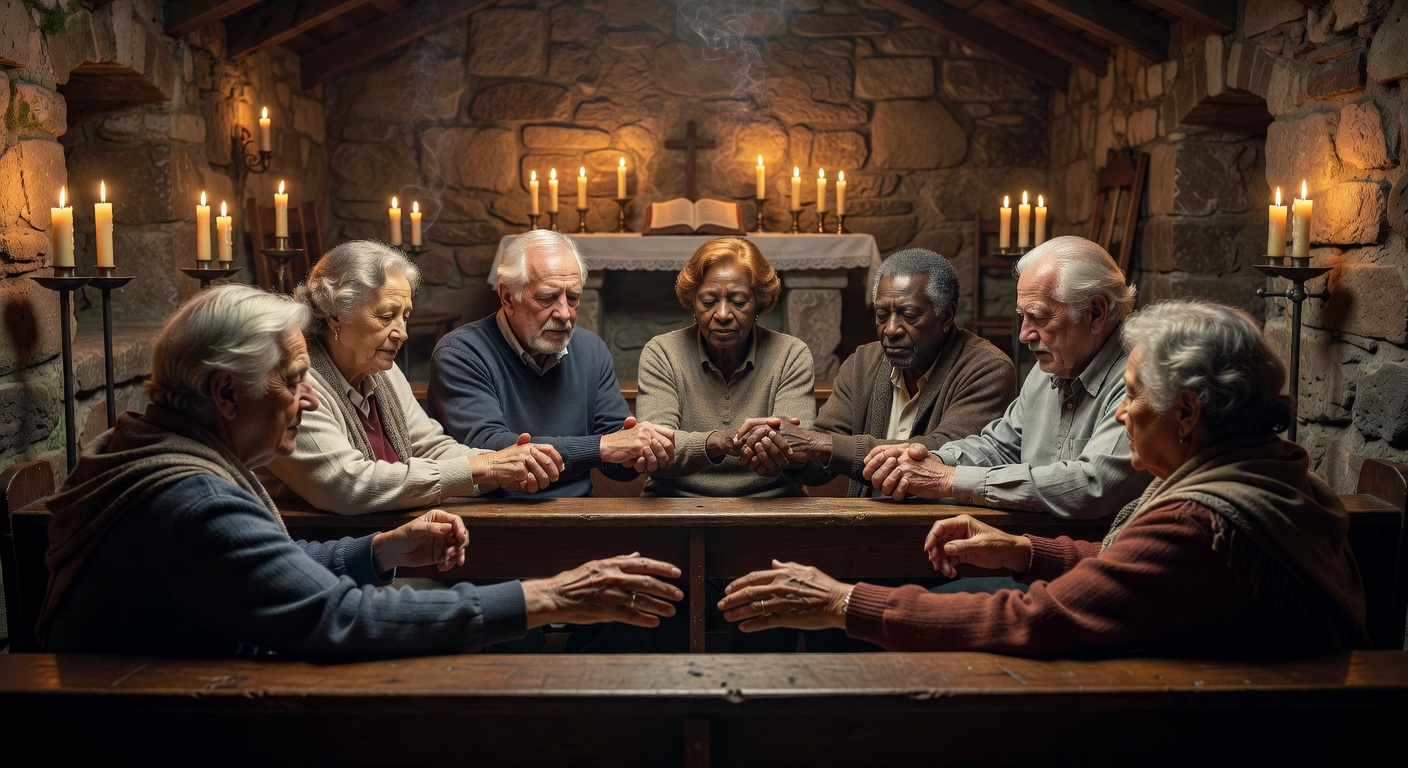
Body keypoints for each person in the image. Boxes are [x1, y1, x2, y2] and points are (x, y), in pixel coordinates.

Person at [39, 284, 682, 658]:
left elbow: (269, 565)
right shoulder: (192, 499)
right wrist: (549, 596)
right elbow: (341, 618)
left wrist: (380, 547)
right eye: (293, 382)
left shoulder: (154, 450)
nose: (312, 398)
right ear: (225, 393)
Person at [718, 300, 1369, 658]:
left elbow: (1036, 619)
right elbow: (1131, 566)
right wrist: (1029, 550)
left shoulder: (1205, 520)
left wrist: (846, 602)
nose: (1119, 410)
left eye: (1135, 395)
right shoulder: (1270, 473)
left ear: (1189, 413)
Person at [260, 240, 565, 513]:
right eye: (385, 316)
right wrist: (480, 468)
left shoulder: (384, 373)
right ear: (335, 312)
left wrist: (506, 466)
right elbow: (347, 485)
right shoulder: (298, 383)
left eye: (405, 316)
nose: (402, 333)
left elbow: (430, 447)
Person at [863, 235, 1149, 519]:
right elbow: (999, 446)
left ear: (1095, 313)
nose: (1024, 335)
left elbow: (1091, 484)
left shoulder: (1140, 378)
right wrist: (933, 460)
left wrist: (947, 479)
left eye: (1039, 317)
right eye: (1022, 316)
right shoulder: (1047, 370)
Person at [731, 248, 1014, 497]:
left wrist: (820, 444)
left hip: (945, 532)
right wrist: (784, 453)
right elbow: (821, 462)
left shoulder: (987, 368)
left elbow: (942, 452)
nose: (890, 329)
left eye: (909, 315)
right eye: (881, 314)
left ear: (947, 316)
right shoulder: (863, 362)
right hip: (867, 528)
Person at [429, 230, 674, 498]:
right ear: (508, 297)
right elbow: (490, 450)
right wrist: (604, 447)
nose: (565, 313)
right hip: (489, 518)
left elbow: (615, 461)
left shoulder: (591, 349)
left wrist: (638, 454)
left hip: (579, 515)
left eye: (573, 297)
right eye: (547, 297)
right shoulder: (460, 353)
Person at [635, 237, 816, 497]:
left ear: (759, 303)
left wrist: (780, 445)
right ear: (692, 302)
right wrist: (718, 441)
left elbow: (797, 448)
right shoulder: (662, 352)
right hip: (675, 502)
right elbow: (657, 451)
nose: (721, 314)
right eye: (708, 301)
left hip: (771, 502)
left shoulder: (790, 354)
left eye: (738, 302)